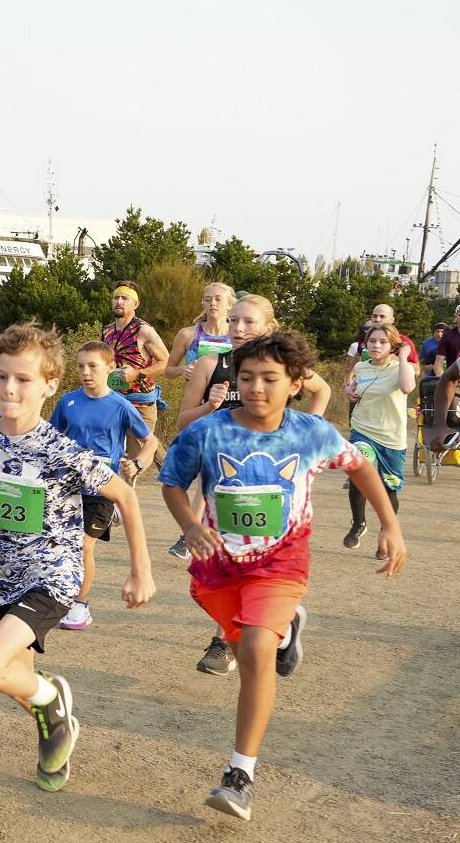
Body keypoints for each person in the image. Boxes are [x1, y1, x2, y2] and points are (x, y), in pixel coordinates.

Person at [160, 331, 406, 822]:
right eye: (246, 378)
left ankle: (240, 774)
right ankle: (287, 627)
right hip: (218, 565)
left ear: (295, 384)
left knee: (253, 650)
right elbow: (172, 481)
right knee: (241, 642)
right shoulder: (208, 432)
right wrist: (190, 526)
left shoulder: (309, 432)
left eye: (270, 379)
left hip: (281, 562)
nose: (255, 388)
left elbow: (359, 467)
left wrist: (390, 523)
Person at [0, 322, 155, 792]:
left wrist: (141, 572)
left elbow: (126, 497)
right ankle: (56, 722)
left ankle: (53, 703)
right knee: (15, 677)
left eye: (24, 379)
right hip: (2, 576)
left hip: (53, 573)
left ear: (50, 385)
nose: (9, 388)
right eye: (2, 377)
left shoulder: (60, 450)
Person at [174, 295, 331, 675]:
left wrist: (303, 441)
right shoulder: (211, 364)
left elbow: (322, 390)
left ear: (268, 329)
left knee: (260, 563)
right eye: (233, 321)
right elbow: (182, 422)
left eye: (248, 322)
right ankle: (267, 627)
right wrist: (210, 408)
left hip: (270, 479)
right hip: (223, 483)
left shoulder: (280, 366)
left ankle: (230, 641)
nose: (239, 330)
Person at [48, 341, 157, 630]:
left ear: (110, 368)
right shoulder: (67, 402)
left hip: (102, 488)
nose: (85, 372)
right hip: (68, 487)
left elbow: (150, 441)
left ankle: (80, 606)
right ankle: (59, 595)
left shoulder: (120, 405)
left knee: (84, 546)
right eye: (81, 366)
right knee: (62, 546)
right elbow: (50, 439)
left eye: (92, 366)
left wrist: (139, 464)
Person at [343, 323, 416, 549]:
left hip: (392, 438)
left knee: (389, 488)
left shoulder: (401, 368)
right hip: (363, 430)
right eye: (372, 341)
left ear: (392, 345)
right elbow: (353, 386)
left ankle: (386, 532)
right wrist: (349, 390)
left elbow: (406, 388)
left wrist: (404, 357)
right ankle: (358, 523)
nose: (376, 345)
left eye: (383, 342)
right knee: (358, 469)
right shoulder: (363, 367)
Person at [102, 280, 171, 468]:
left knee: (135, 460)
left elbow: (166, 362)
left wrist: (137, 373)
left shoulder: (144, 330)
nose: (119, 302)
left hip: (140, 402)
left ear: (136, 304)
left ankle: (168, 466)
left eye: (125, 298)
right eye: (116, 297)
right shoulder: (107, 330)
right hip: (113, 400)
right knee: (112, 456)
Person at [164, 282, 235, 381]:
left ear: (230, 305)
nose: (213, 303)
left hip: (228, 395)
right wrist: (183, 369)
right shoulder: (187, 334)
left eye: (218, 299)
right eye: (207, 299)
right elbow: (168, 372)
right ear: (203, 304)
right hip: (195, 396)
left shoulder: (237, 336)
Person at [433, 303, 460, 376]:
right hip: (453, 382)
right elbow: (438, 364)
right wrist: (444, 382)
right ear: (456, 317)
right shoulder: (448, 336)